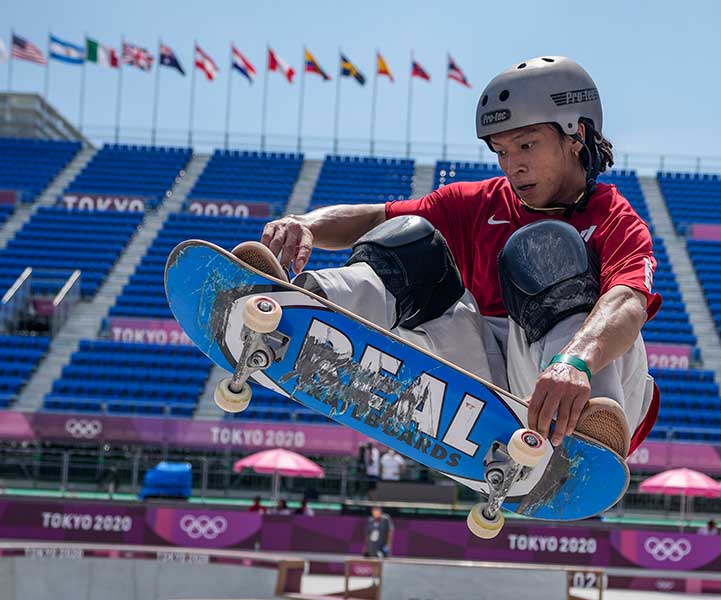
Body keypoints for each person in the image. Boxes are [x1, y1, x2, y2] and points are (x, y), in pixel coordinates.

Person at [252, 56, 661, 457]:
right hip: (494, 392)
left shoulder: (615, 218)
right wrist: (304, 223)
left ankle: (588, 437)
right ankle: (295, 312)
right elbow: (371, 218)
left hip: (581, 381)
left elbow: (627, 302)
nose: (512, 165)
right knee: (408, 238)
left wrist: (575, 363)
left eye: (527, 145)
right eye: (501, 151)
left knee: (550, 248)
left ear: (576, 136)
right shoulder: (476, 203)